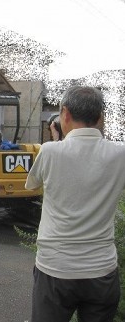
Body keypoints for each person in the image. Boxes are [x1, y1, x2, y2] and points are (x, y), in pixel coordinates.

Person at [25, 86, 125, 322]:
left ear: (65, 114)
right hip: (101, 270)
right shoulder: (120, 154)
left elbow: (32, 185)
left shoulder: (50, 151)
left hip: (55, 269)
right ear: (101, 118)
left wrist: (57, 142)